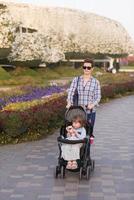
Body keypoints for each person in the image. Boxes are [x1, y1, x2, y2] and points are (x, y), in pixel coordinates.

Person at [66, 58, 101, 133]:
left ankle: (88, 144)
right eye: (84, 67)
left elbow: (98, 97)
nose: (86, 69)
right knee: (75, 133)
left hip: (89, 112)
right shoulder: (76, 80)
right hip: (77, 112)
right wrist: (69, 102)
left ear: (92, 69)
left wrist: (92, 104)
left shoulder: (95, 82)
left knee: (88, 134)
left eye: (88, 68)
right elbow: (71, 93)